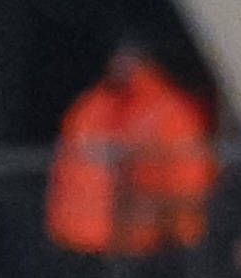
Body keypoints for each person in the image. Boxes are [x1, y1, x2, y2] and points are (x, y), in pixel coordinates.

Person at [44, 41, 215, 265]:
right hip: (80, 244)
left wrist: (177, 223)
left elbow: (190, 187)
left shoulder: (168, 110)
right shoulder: (91, 107)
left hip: (137, 249)